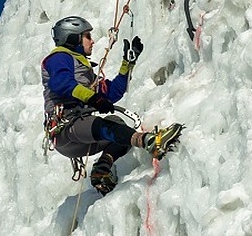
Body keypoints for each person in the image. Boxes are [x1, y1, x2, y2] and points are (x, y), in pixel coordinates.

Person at [41, 15, 184, 195]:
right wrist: (92, 99)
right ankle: (149, 141)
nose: (92, 41)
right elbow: (61, 83)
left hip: (77, 135)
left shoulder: (84, 71)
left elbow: (111, 93)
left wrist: (127, 64)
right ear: (73, 38)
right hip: (66, 128)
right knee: (105, 126)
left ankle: (102, 170)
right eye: (87, 36)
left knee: (118, 127)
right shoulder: (59, 58)